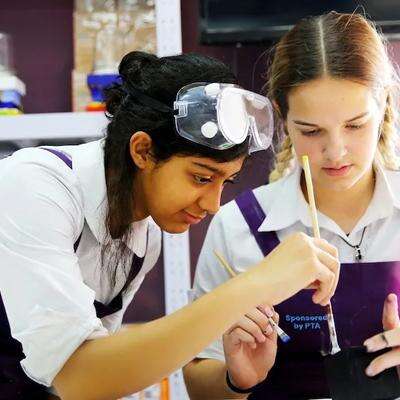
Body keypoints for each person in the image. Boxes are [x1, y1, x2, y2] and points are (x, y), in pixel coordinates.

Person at [0, 51, 339, 400]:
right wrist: (256, 285)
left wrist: (236, 379)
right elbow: (78, 378)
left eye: (226, 182)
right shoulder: (33, 187)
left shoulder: (143, 240)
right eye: (201, 177)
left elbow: (97, 375)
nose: (212, 205)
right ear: (143, 150)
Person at [184, 11, 400, 400]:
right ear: (283, 118)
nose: (335, 152)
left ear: (384, 103)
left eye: (355, 125)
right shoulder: (239, 227)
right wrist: (237, 380)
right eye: (311, 131)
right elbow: (199, 384)